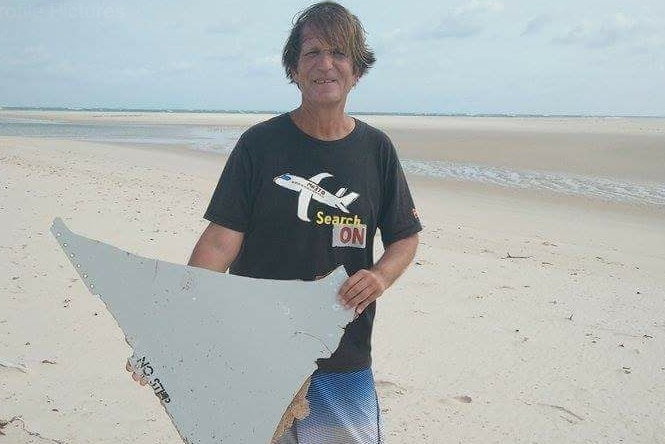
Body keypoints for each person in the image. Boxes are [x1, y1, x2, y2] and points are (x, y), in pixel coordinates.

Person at [134, 2, 421, 443]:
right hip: (255, 351)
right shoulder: (259, 146)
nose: (326, 65)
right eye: (312, 53)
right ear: (293, 68)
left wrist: (381, 277)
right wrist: (176, 324)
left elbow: (404, 236)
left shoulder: (376, 151)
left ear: (357, 70)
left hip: (341, 357)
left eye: (340, 53)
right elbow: (217, 245)